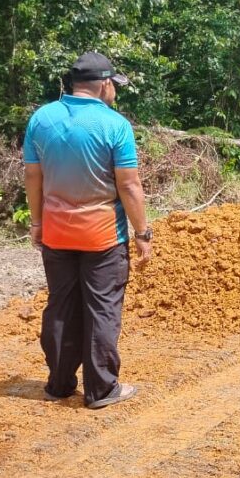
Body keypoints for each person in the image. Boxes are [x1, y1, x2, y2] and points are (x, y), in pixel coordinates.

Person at [23, 52, 151, 410]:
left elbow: (33, 175)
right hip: (103, 236)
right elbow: (129, 186)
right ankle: (101, 390)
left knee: (61, 306)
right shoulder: (114, 125)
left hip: (57, 233)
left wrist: (37, 222)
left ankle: (59, 384)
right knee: (102, 308)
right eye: (114, 86)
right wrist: (142, 233)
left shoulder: (42, 118)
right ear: (105, 84)